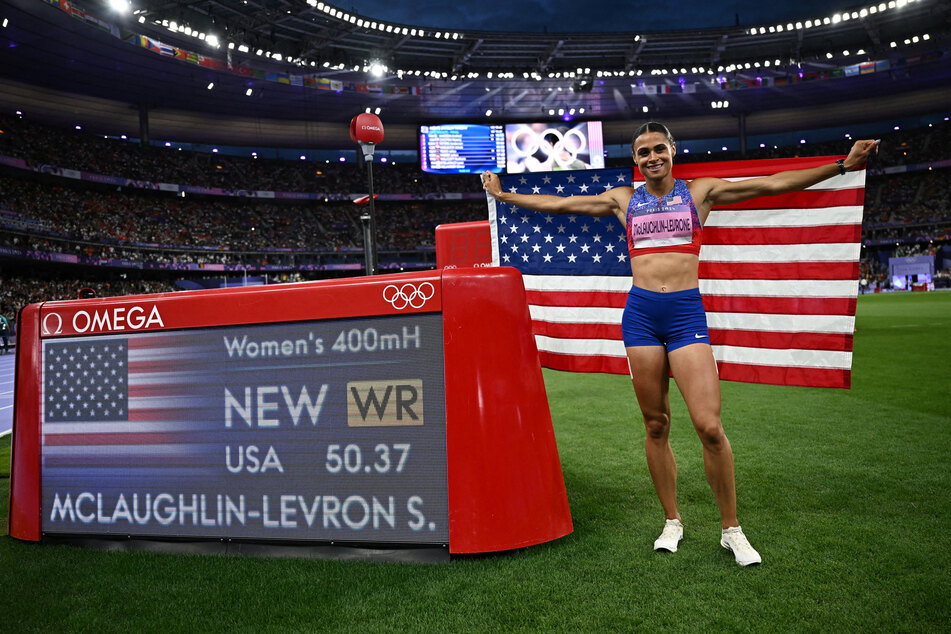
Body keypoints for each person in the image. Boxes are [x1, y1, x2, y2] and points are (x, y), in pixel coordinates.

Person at [482, 122, 879, 566]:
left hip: (686, 315)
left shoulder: (700, 193)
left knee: (709, 427)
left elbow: (770, 184)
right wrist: (503, 196)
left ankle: (732, 529)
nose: (651, 157)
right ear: (635, 160)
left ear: (673, 150)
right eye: (642, 152)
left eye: (658, 149)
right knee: (656, 425)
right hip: (641, 318)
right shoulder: (623, 199)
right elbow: (558, 204)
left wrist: (843, 165)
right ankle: (672, 519)